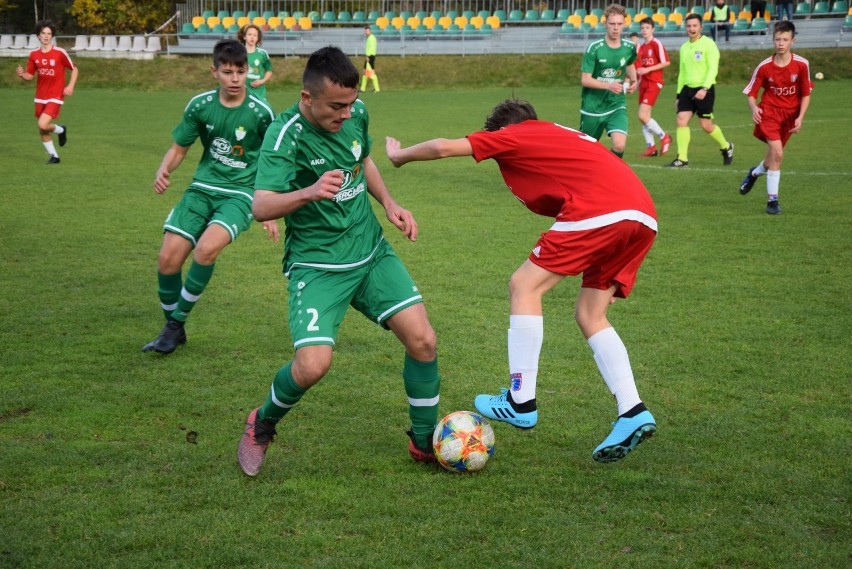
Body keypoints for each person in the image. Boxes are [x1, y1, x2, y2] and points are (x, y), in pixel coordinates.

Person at [386, 99, 658, 463]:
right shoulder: (557, 134)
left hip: (600, 210)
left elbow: (442, 147)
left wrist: (399, 155)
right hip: (641, 215)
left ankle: (520, 398)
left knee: (524, 285)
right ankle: (632, 411)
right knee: (591, 315)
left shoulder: (513, 136)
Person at [237, 47, 441, 477]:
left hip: (370, 252)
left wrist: (388, 202)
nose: (347, 114)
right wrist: (308, 192)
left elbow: (361, 158)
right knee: (313, 365)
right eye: (336, 106)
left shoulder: (355, 112)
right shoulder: (284, 135)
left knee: (422, 340)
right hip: (317, 265)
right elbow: (260, 206)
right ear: (307, 98)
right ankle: (262, 423)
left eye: (350, 104)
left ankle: (424, 442)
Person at [142, 39, 277, 354]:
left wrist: (269, 209)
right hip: (202, 188)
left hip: (240, 194)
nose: (234, 79)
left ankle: (173, 326)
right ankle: (174, 329)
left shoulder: (261, 113)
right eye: (227, 71)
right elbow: (179, 147)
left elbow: (273, 162)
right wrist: (165, 169)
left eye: (240, 72)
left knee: (205, 250)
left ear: (247, 71)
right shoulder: (200, 105)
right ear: (214, 71)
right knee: (167, 260)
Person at [740, 21, 812, 215]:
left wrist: (800, 118)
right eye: (778, 39)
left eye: (785, 39)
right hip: (769, 114)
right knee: (778, 154)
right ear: (773, 40)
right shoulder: (764, 67)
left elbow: (806, 93)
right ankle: (773, 201)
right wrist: (754, 107)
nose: (781, 43)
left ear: (792, 41)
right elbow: (751, 93)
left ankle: (754, 173)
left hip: (789, 116)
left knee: (772, 157)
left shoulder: (802, 65)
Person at [667, 13, 735, 168]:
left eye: (695, 25)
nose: (691, 29)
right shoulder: (684, 47)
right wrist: (678, 95)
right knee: (681, 120)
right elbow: (682, 72)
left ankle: (726, 146)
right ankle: (682, 158)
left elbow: (713, 69)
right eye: (689, 26)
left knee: (706, 125)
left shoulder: (709, 44)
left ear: (701, 27)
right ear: (686, 27)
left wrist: (705, 88)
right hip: (687, 89)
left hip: (705, 89)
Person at [579, 4, 637, 158]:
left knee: (619, 144)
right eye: (612, 24)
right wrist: (608, 85)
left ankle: (612, 176)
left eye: (619, 24)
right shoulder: (594, 48)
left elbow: (630, 63)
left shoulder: (629, 47)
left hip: (616, 105)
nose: (616, 28)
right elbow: (585, 80)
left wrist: (634, 79)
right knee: (585, 152)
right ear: (605, 23)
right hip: (592, 108)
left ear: (624, 24)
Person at [16, 20, 77, 164]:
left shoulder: (59, 53)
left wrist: (70, 86)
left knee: (42, 124)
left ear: (52, 36)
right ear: (38, 35)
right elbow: (29, 76)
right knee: (42, 129)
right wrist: (21, 74)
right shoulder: (34, 55)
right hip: (40, 96)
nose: (46, 36)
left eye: (49, 34)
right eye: (43, 33)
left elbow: (74, 68)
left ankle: (60, 130)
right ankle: (54, 156)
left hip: (55, 95)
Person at [635, 18, 673, 158]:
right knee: (644, 117)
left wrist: (648, 70)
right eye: (643, 28)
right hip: (644, 83)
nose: (644, 30)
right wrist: (638, 82)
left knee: (642, 115)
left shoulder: (656, 44)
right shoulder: (641, 47)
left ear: (653, 29)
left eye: (647, 27)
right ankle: (651, 147)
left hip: (654, 82)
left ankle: (664, 136)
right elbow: (639, 67)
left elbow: (666, 62)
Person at [237, 24, 273, 102]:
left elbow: (269, 70)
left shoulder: (262, 53)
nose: (252, 37)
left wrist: (262, 81)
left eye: (255, 35)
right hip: (242, 92)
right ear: (244, 37)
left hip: (259, 92)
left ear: (257, 38)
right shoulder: (238, 53)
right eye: (249, 34)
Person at [359, 25, 381, 93]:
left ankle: (377, 89)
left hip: (370, 56)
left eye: (367, 31)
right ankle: (362, 89)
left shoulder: (371, 38)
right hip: (368, 56)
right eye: (365, 31)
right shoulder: (369, 38)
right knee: (365, 73)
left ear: (370, 31)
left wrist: (368, 56)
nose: (366, 32)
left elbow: (371, 48)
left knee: (371, 74)